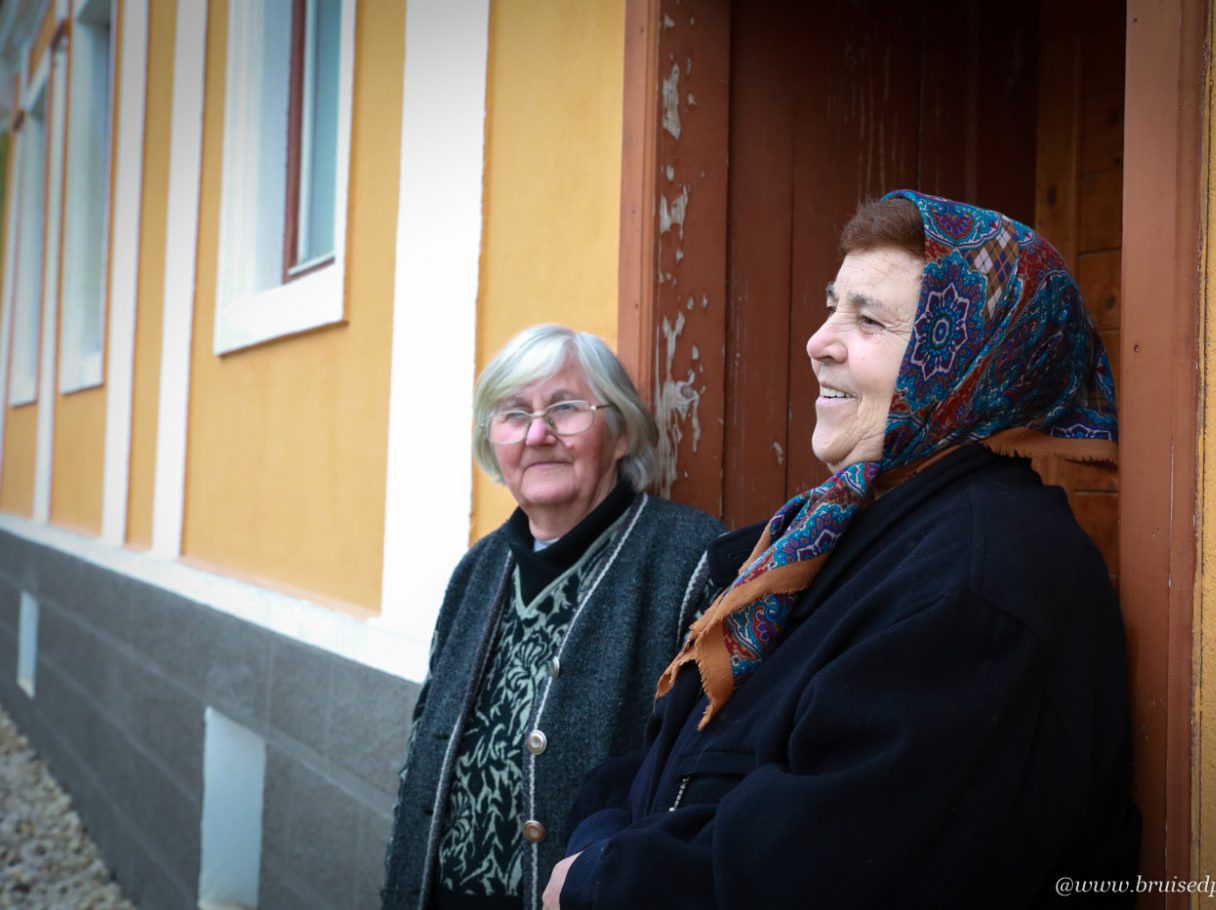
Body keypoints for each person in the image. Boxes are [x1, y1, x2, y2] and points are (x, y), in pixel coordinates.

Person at [544, 191, 1141, 909]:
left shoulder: (983, 579)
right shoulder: (833, 530)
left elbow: (825, 869)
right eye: (833, 307)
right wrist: (597, 838)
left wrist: (602, 881)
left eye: (867, 319)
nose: (818, 340)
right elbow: (674, 754)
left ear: (967, 364)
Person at [381, 325, 725, 910]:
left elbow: (700, 774)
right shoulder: (478, 568)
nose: (538, 434)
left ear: (619, 433)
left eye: (565, 408)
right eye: (514, 415)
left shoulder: (690, 560)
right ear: (494, 443)